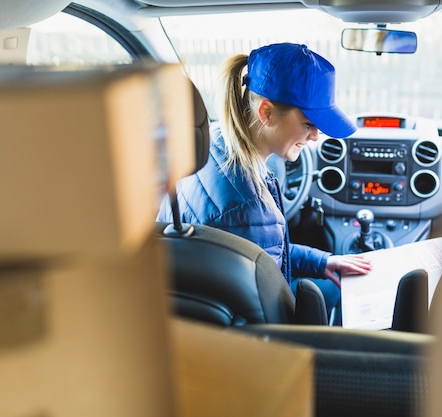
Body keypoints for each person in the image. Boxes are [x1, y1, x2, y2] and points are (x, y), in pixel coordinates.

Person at [156, 42, 371, 322]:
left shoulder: (215, 144)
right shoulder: (247, 209)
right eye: (308, 124)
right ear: (266, 113)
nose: (316, 136)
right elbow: (273, 317)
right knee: (336, 293)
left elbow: (263, 252)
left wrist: (323, 261)